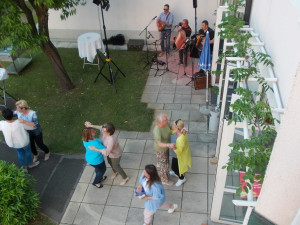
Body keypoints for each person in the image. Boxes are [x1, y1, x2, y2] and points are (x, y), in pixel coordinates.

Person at [85, 121, 129, 185]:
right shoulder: (105, 131)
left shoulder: (111, 139)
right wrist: (91, 126)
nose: (102, 131)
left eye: (104, 131)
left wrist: (95, 149)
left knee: (116, 166)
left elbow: (106, 152)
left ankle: (125, 177)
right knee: (110, 162)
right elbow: (100, 127)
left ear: (110, 132)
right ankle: (115, 172)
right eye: (103, 130)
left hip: (115, 154)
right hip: (110, 153)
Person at [153, 114, 175, 185]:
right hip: (161, 149)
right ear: (160, 122)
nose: (167, 120)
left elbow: (171, 128)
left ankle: (160, 162)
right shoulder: (157, 130)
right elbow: (159, 143)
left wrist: (177, 128)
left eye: (167, 119)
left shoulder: (166, 124)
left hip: (166, 146)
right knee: (164, 166)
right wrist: (168, 145)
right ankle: (164, 180)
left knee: (165, 161)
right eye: (166, 120)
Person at [169, 119, 192, 186]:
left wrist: (173, 147)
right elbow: (171, 131)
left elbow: (179, 151)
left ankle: (182, 178)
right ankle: (175, 172)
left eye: (173, 125)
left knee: (176, 167)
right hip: (175, 154)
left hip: (178, 155)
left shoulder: (181, 139)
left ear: (177, 127)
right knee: (174, 166)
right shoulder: (177, 131)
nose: (172, 125)